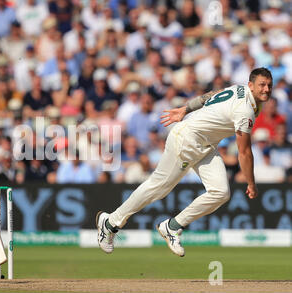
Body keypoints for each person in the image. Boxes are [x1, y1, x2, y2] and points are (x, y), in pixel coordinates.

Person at [96, 68, 273, 257]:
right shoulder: (245, 109)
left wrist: (185, 109)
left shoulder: (240, 90)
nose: (267, 89)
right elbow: (244, 152)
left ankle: (172, 226)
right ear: (251, 85)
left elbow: (209, 96)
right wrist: (251, 183)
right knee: (159, 186)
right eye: (262, 84)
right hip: (187, 140)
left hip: (205, 144)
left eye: (269, 85)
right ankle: (110, 223)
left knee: (220, 192)